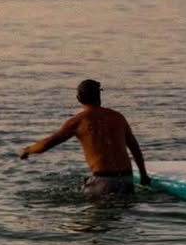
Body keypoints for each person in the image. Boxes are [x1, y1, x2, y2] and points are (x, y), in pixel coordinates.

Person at [19, 79, 150, 196]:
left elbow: (47, 144)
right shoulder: (117, 117)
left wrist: (28, 150)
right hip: (127, 179)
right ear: (99, 97)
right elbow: (134, 147)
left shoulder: (78, 121)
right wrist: (143, 175)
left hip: (103, 182)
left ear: (78, 98)